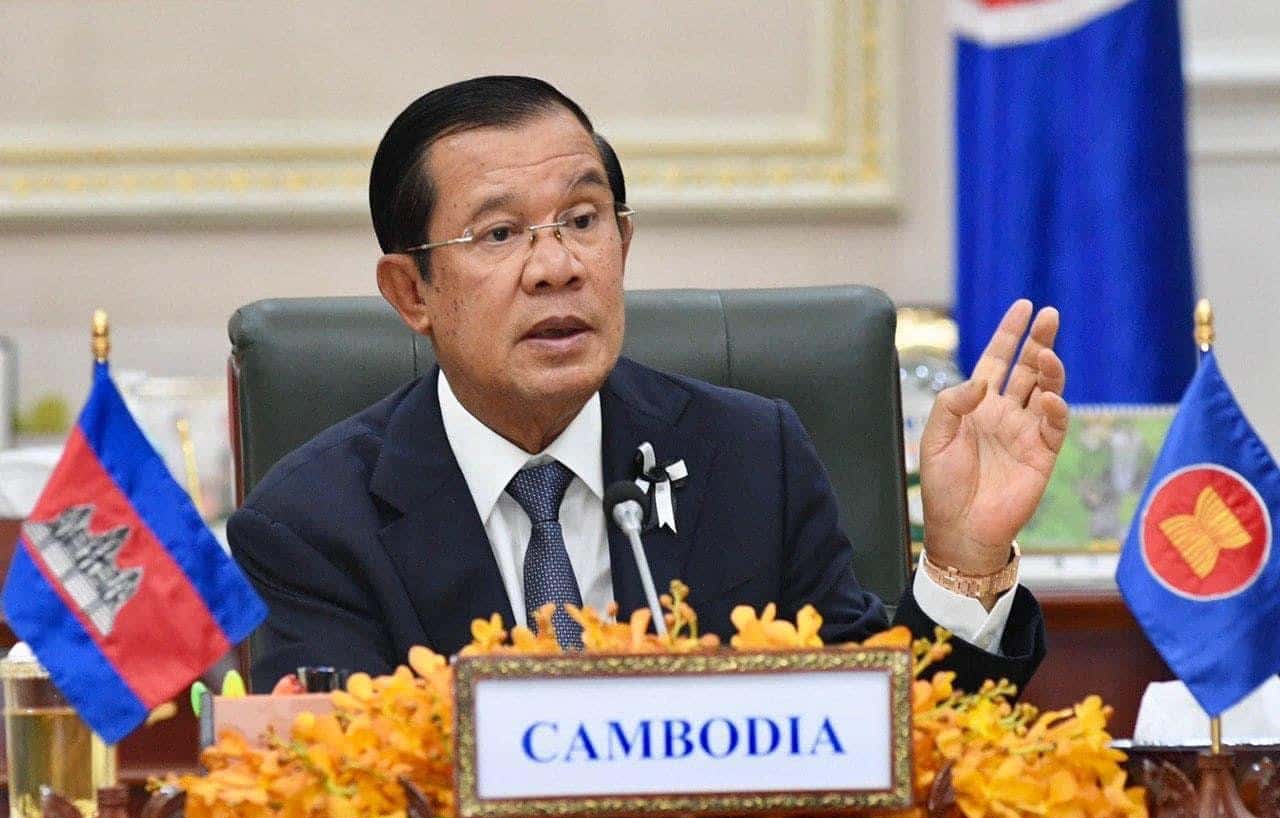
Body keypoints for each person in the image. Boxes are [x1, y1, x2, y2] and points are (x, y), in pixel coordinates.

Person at [227, 76, 1069, 693]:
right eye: (500, 234)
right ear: (411, 293)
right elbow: (345, 792)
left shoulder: (752, 460)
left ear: (622, 246)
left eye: (582, 220)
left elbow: (885, 739)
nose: (557, 267)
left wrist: (964, 558)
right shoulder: (312, 526)